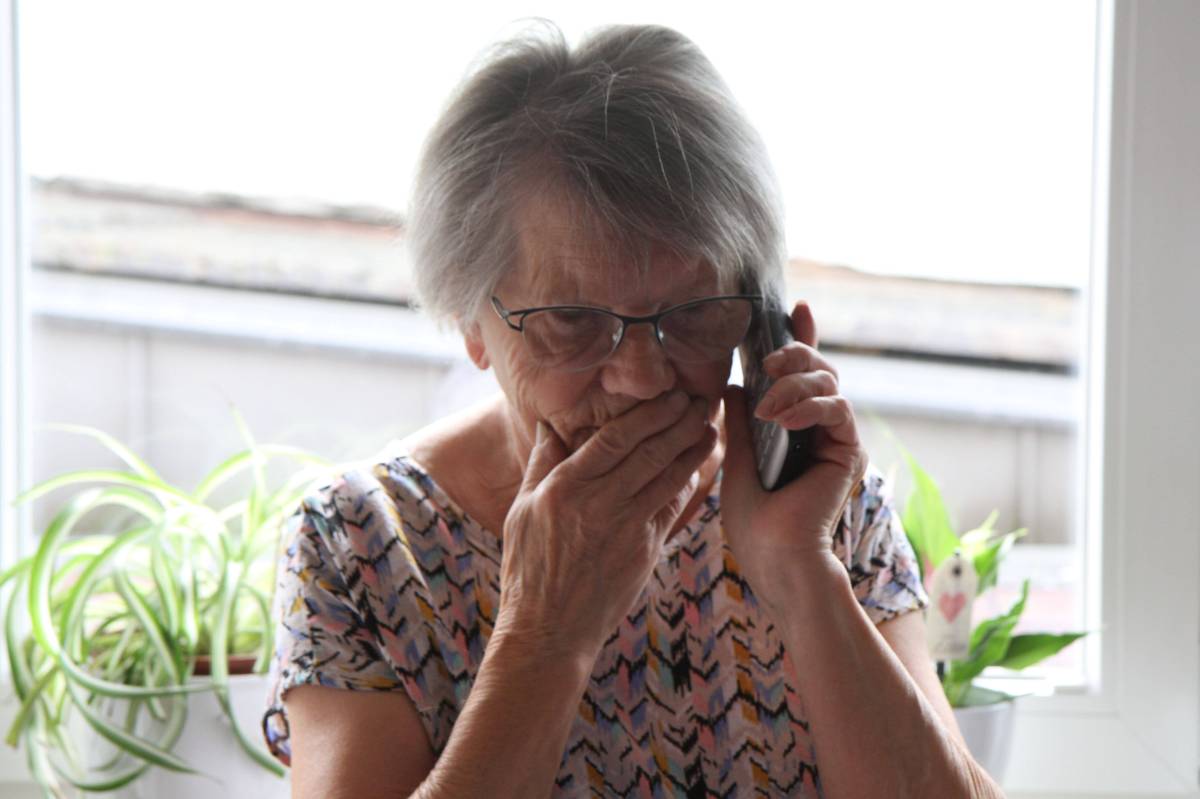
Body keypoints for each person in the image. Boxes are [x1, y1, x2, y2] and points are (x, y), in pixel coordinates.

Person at [261, 22, 1005, 799]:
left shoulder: (821, 506)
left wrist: (799, 571)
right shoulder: (361, 542)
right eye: (575, 322)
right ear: (472, 324)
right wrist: (545, 634)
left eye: (693, 313)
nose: (645, 377)